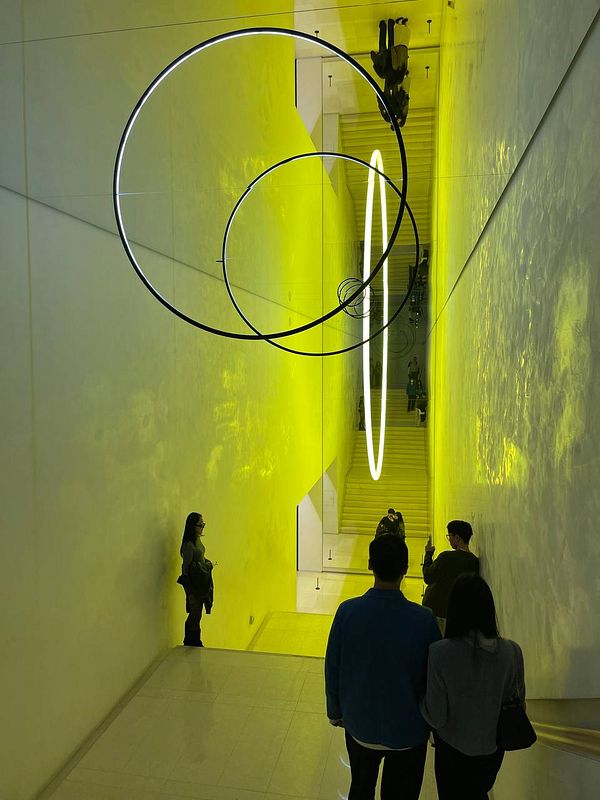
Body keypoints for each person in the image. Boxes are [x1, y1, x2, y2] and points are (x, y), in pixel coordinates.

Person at [325, 534, 441, 800]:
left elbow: (333, 666)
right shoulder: (423, 620)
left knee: (361, 787)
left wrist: (335, 711)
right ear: (406, 569)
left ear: (370, 565)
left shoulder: (347, 612)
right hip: (409, 732)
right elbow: (434, 679)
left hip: (360, 726)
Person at [421, 574, 526, 799]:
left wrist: (418, 701)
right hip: (492, 751)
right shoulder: (512, 652)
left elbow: (436, 717)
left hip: (451, 750)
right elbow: (518, 706)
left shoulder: (440, 653)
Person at [422, 520, 479, 632]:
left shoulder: (446, 557)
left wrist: (428, 554)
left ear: (457, 538)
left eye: (450, 536)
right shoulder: (474, 562)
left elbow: (428, 576)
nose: (449, 540)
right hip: (457, 615)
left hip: (436, 611)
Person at [177, 512, 213, 647]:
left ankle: (194, 640)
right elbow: (186, 568)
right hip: (194, 585)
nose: (202, 527)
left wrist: (207, 563)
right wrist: (189, 589)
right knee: (195, 613)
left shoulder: (197, 540)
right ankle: (192, 641)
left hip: (201, 582)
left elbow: (200, 558)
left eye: (203, 524)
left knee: (197, 613)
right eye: (200, 525)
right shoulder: (188, 545)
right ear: (192, 526)